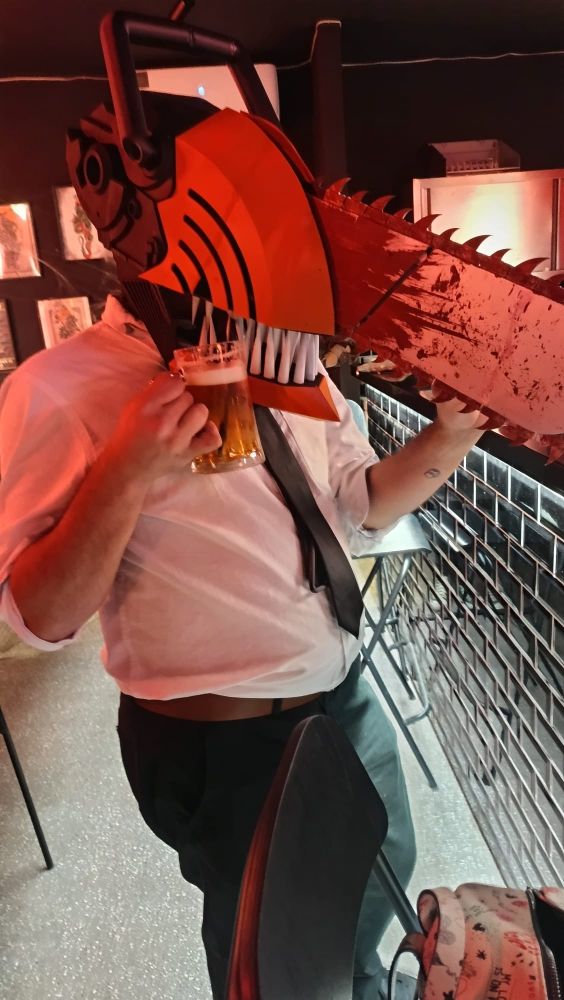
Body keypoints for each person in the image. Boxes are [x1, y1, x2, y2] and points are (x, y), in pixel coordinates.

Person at [0, 294, 486, 999]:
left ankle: (360, 983)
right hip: (227, 743)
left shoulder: (287, 362)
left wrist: (451, 435)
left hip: (343, 694)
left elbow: (360, 506)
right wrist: (127, 469)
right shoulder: (57, 386)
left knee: (380, 871)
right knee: (276, 963)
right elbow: (40, 616)